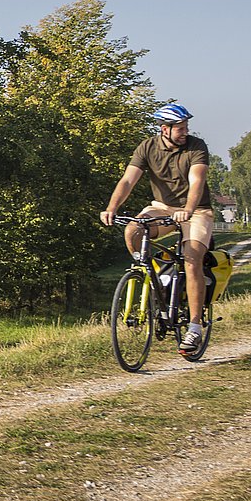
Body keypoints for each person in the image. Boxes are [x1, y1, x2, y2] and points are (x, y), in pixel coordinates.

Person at [99, 102, 215, 354]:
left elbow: (197, 181)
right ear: (165, 129)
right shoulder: (147, 147)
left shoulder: (196, 146)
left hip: (196, 211)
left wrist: (189, 209)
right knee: (133, 230)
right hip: (162, 207)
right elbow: (128, 180)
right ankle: (155, 278)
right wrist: (111, 207)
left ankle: (194, 328)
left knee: (192, 257)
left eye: (186, 127)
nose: (185, 132)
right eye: (180, 128)